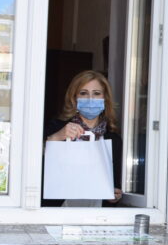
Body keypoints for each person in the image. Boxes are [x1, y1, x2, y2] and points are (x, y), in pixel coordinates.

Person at [45, 70, 122, 204]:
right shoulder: (57, 127)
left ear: (105, 99)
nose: (90, 99)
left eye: (96, 93)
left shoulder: (112, 138)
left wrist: (114, 195)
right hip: (59, 210)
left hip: (97, 215)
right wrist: (57, 137)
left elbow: (114, 183)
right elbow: (33, 161)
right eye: (83, 93)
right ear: (74, 98)